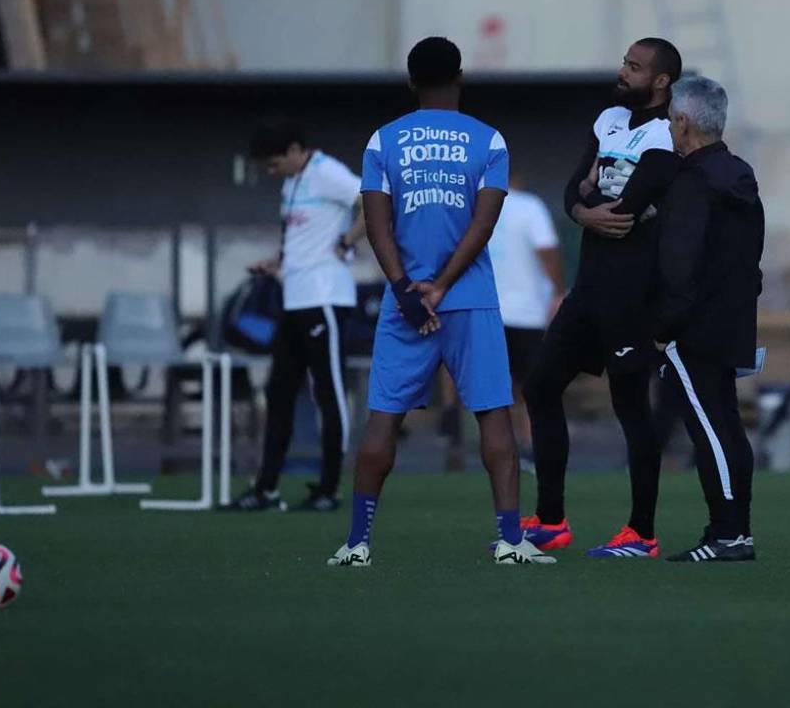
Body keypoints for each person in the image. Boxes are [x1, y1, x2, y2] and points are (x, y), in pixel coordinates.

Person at [328, 36, 554, 567]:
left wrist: (406, 288)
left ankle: (357, 543)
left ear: (411, 82)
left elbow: (376, 224)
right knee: (493, 415)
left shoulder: (383, 140)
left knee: (383, 420)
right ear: (460, 77)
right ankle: (509, 541)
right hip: (469, 298)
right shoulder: (489, 140)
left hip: (404, 303)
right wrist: (445, 283)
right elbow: (484, 223)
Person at [522, 38, 682, 558]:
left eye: (634, 67)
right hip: (588, 288)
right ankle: (550, 520)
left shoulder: (666, 132)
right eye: (624, 63)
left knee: (631, 408)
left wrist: (592, 199)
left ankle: (642, 532)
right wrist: (584, 207)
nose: (623, 72)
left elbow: (627, 208)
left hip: (631, 295)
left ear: (661, 81)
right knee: (540, 386)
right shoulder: (610, 119)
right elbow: (575, 189)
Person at [655, 76, 763, 562]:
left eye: (670, 120)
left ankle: (729, 534)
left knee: (709, 430)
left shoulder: (690, 183)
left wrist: (664, 329)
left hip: (693, 329)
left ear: (682, 122)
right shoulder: (740, 174)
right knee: (727, 425)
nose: (668, 128)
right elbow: (750, 258)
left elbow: (679, 265)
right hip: (733, 321)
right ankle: (735, 530)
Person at [230, 118, 361, 512]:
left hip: (325, 298)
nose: (271, 173)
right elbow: (301, 239)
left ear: (294, 150)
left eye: (273, 164)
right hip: (294, 299)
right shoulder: (292, 183)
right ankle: (266, 488)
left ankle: (329, 488)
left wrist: (347, 241)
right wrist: (277, 262)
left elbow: (376, 201)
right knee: (279, 394)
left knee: (328, 392)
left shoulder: (328, 172)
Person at [487, 165, 565, 465]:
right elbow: (547, 251)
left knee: (497, 388)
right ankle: (533, 446)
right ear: (515, 179)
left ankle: (502, 447)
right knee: (533, 386)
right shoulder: (529, 206)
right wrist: (558, 292)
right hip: (528, 310)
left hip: (488, 311)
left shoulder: (477, 207)